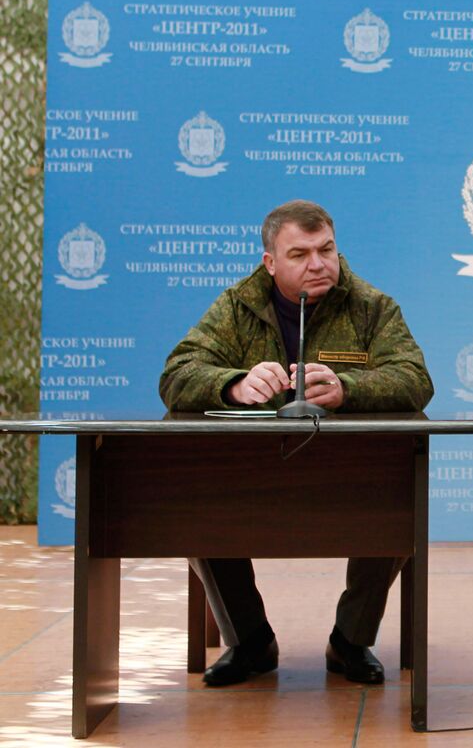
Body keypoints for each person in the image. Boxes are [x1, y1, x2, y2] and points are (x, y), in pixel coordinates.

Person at [159, 199, 434, 687]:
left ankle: (350, 641)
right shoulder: (236, 306)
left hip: (348, 468)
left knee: (396, 500)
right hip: (248, 469)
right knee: (195, 504)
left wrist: (350, 388)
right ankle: (250, 642)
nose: (318, 264)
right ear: (270, 263)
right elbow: (177, 373)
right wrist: (235, 384)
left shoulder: (371, 307)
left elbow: (415, 378)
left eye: (326, 249)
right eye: (300, 254)